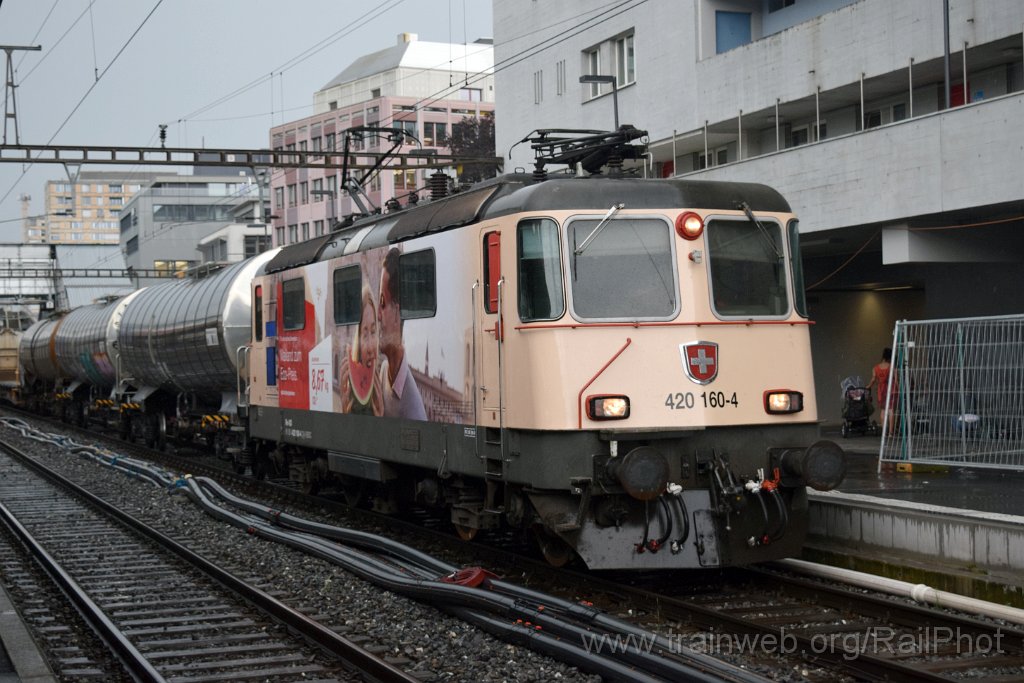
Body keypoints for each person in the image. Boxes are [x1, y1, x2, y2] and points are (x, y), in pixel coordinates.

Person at [378, 247, 427, 420]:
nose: (378, 315)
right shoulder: (383, 371)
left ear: (398, 313)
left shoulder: (415, 411)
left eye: (382, 304)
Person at [338, 284, 384, 416]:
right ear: (357, 339)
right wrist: (344, 412)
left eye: (373, 331)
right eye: (364, 334)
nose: (370, 347)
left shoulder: (383, 379)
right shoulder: (349, 387)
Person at [866, 347, 897, 435]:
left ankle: (884, 432)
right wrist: (898, 389)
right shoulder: (891, 367)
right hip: (891, 389)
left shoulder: (875, 368)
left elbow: (873, 379)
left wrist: (868, 386)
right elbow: (896, 380)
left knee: (883, 411)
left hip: (881, 390)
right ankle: (891, 432)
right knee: (891, 410)